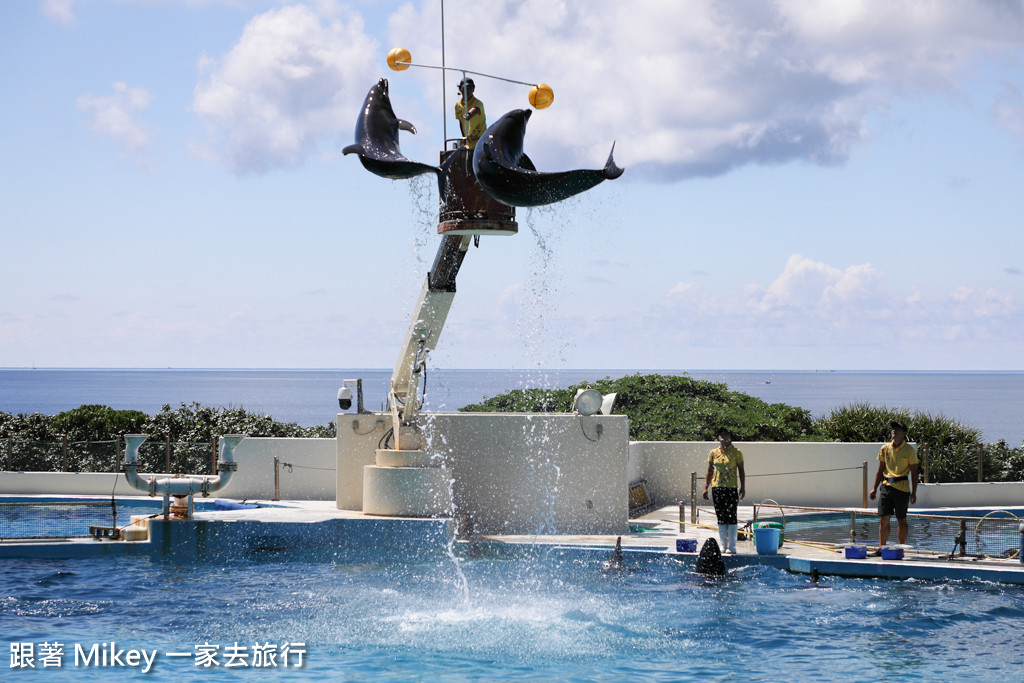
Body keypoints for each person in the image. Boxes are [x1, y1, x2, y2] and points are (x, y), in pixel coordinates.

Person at [868, 420, 919, 550]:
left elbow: (914, 472)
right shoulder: (885, 448)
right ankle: (882, 548)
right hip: (886, 486)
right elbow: (880, 470)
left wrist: (914, 492)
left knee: (901, 519)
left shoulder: (909, 451)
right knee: (884, 518)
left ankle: (900, 547)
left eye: (897, 429)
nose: (894, 431)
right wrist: (874, 488)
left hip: (902, 488)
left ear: (904, 433)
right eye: (893, 429)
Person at [703, 427, 746, 554]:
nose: (723, 436)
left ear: (730, 438)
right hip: (717, 488)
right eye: (721, 434)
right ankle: (723, 545)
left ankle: (732, 546)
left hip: (731, 488)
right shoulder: (713, 452)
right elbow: (709, 471)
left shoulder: (737, 452)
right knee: (721, 516)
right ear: (718, 437)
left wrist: (743, 487)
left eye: (726, 434)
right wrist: (706, 487)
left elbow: (741, 471)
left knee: (731, 516)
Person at [454, 78, 486, 149]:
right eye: (464, 88)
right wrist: (464, 138)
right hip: (469, 145)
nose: (467, 91)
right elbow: (461, 122)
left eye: (469, 88)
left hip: (480, 144)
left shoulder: (478, 103)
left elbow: (475, 109)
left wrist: (469, 114)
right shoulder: (457, 105)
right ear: (460, 89)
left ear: (473, 89)